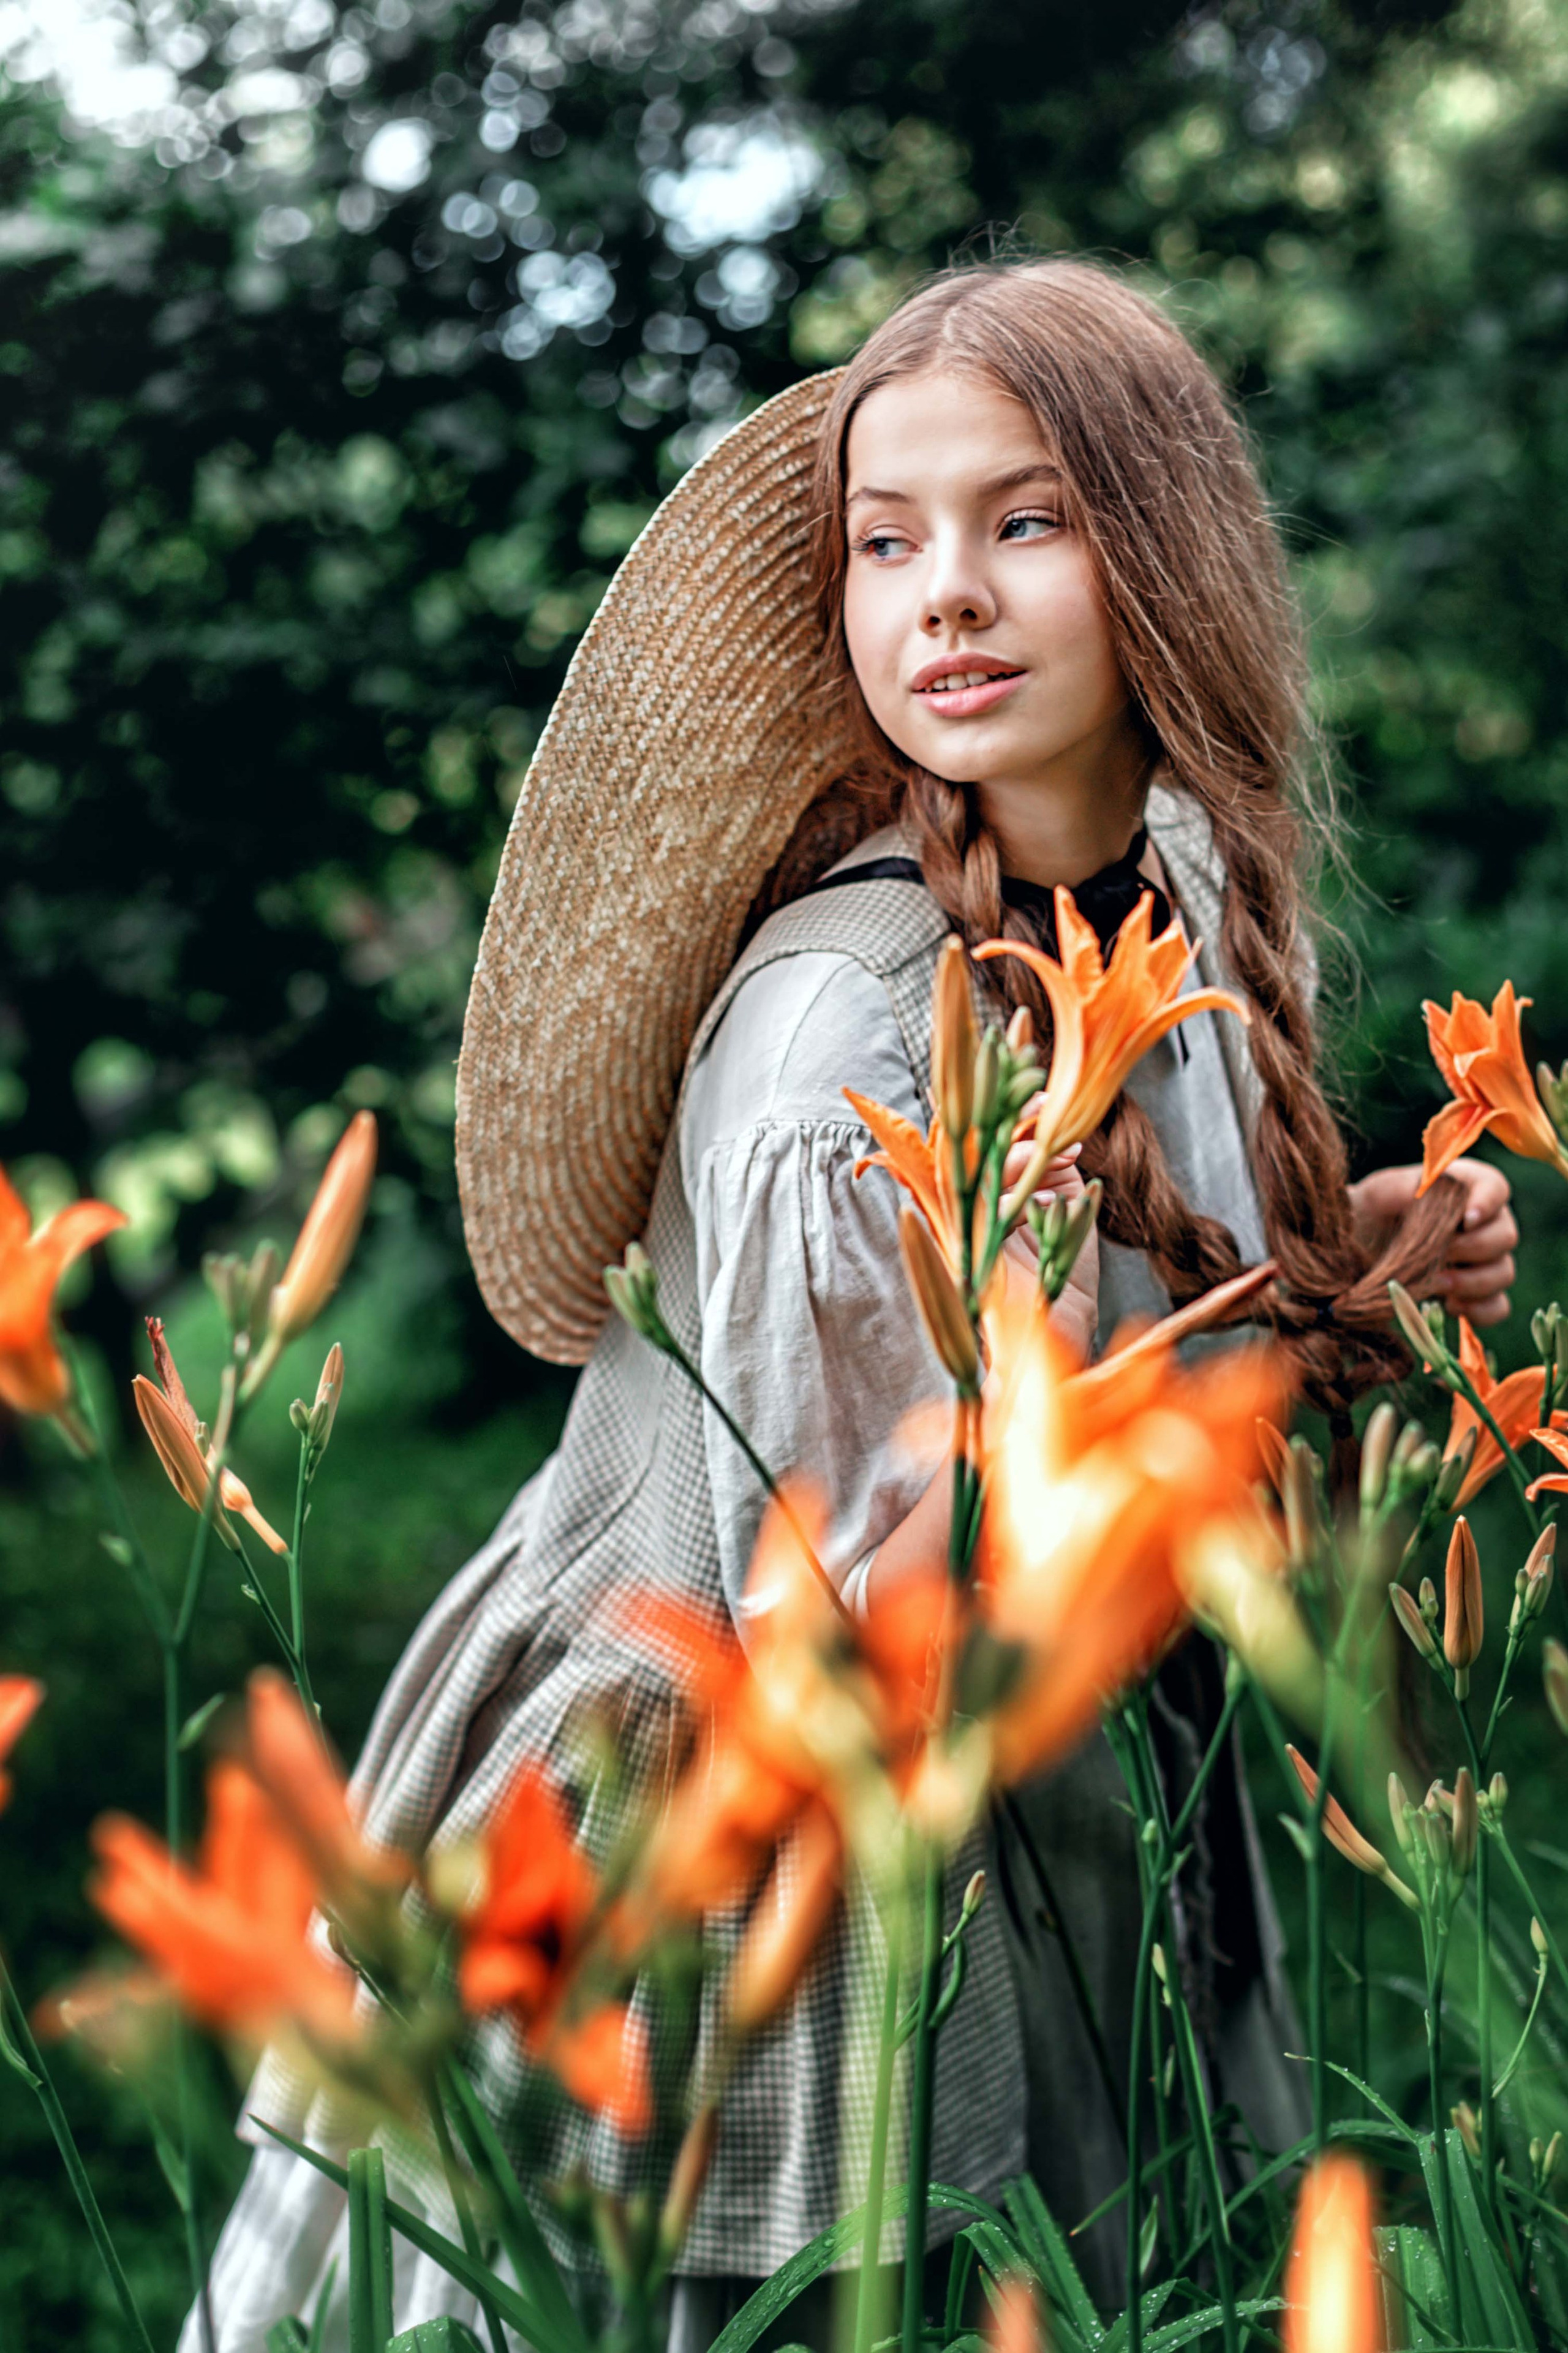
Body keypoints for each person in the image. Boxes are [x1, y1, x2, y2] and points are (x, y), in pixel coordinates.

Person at [187, 259, 1518, 2349]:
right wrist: (1266, 1359)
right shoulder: (849, 1044)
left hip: (1047, 1819)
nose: (946, 594)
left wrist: (1338, 1262)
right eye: (885, 543)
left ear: (1168, 554)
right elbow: (874, 1622)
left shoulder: (1171, 885)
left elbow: (1107, 1347)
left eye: (1024, 520)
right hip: (726, 1877)